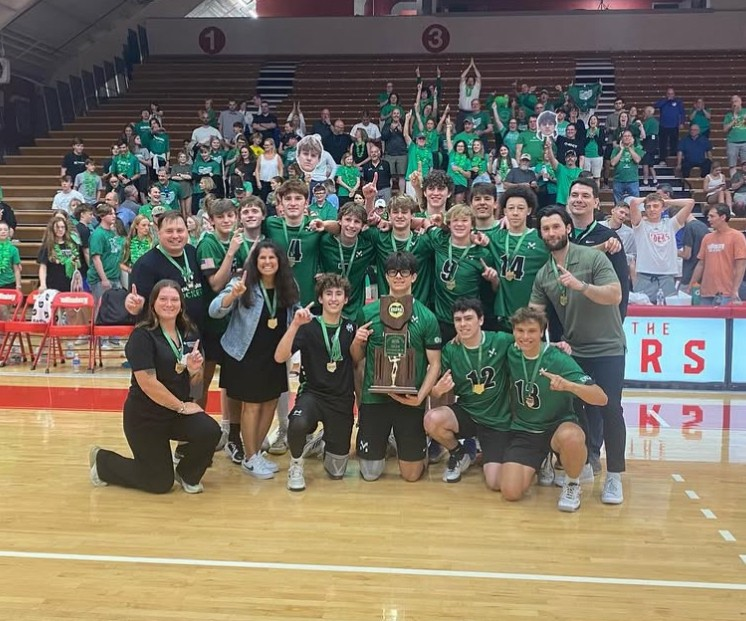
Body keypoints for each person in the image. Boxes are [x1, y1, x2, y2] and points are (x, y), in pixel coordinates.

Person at [530, 207, 626, 505]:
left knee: (610, 409)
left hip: (608, 348)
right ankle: (580, 467)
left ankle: (614, 477)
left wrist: (581, 286)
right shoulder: (544, 274)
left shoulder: (592, 258)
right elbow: (534, 316)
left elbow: (615, 295)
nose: (551, 233)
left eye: (556, 227)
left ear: (568, 229)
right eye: (546, 229)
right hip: (574, 351)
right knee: (574, 410)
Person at [89, 280, 220, 494]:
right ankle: (103, 462)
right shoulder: (142, 336)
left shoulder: (189, 333)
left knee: (210, 431)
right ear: (153, 304)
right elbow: (148, 384)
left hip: (174, 414)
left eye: (174, 299)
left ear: (181, 304)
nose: (169, 304)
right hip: (145, 417)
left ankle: (187, 473)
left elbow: (195, 385)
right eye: (163, 299)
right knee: (159, 483)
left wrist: (194, 371)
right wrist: (181, 407)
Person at [500, 307, 607, 512]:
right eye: (520, 330)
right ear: (513, 331)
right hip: (525, 430)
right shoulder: (511, 352)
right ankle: (543, 460)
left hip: (556, 427)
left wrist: (569, 386)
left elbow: (601, 398)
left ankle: (572, 484)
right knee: (510, 492)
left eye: (532, 331)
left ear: (542, 331)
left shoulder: (558, 359)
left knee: (572, 436)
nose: (525, 336)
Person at [209, 240, 300, 480]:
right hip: (244, 354)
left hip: (275, 355)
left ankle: (255, 453)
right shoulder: (242, 282)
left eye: (272, 258)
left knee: (270, 403)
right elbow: (214, 310)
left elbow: (294, 312)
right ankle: (249, 458)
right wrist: (232, 296)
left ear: (279, 261)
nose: (267, 262)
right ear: (255, 262)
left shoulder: (288, 285)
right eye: (262, 258)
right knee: (252, 406)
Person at [351, 252, 442, 482]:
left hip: (409, 400)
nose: (398, 277)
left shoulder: (427, 317)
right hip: (375, 399)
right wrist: (357, 341)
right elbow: (356, 358)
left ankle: (409, 444)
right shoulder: (367, 312)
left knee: (411, 476)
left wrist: (420, 398)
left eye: (404, 272)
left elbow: (435, 364)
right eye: (393, 272)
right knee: (370, 474)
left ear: (414, 277)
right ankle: (387, 440)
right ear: (386, 276)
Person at [274, 274, 357, 491]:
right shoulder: (308, 326)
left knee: (336, 472)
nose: (333, 298)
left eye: (338, 294)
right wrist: (294, 325)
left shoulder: (352, 328)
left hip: (341, 399)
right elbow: (280, 357)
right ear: (320, 298)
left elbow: (358, 364)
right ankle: (296, 464)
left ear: (346, 299)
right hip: (313, 395)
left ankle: (323, 440)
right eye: (328, 294)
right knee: (298, 423)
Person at [424, 298, 513, 485]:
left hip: (496, 420)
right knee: (432, 419)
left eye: (468, 318)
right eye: (458, 319)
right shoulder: (450, 349)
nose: (463, 324)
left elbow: (529, 345)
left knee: (495, 482)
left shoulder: (500, 340)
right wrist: (437, 390)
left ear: (480, 320)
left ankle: (491, 454)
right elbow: (432, 391)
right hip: (468, 413)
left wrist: (557, 346)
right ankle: (458, 453)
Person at [488, 186, 548, 331]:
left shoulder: (541, 239)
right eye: (511, 208)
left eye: (520, 208)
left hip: (530, 316)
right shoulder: (495, 237)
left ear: (529, 210)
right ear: (504, 211)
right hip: (502, 316)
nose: (515, 213)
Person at [628, 192, 694, 301]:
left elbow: (690, 203)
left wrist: (665, 201)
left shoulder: (671, 224)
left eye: (655, 206)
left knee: (668, 309)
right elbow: (634, 202)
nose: (652, 209)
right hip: (645, 276)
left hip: (667, 276)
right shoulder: (640, 225)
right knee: (642, 308)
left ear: (662, 208)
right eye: (648, 207)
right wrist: (648, 198)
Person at [690, 204, 746, 305]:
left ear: (723, 217)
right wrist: (691, 285)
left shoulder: (737, 237)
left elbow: (741, 265)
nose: (708, 219)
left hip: (727, 292)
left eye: (712, 216)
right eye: (708, 216)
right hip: (706, 292)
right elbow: (701, 264)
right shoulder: (707, 238)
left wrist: (735, 289)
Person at [87, 203, 124, 303]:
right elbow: (96, 258)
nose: (114, 216)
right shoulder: (98, 234)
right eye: (110, 214)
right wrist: (104, 279)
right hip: (101, 279)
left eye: (114, 213)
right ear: (102, 216)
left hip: (114, 276)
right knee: (101, 306)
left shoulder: (112, 232)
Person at [610, 130, 644, 204]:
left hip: (632, 180)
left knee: (635, 203)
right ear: (622, 138)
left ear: (632, 138)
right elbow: (613, 163)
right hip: (618, 180)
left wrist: (630, 148)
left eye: (629, 136)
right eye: (625, 136)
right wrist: (621, 150)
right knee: (618, 204)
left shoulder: (637, 149)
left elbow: (637, 160)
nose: (627, 138)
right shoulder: (616, 150)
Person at [653, 87, 685, 163]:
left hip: (674, 126)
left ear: (674, 94)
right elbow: (656, 105)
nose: (670, 95)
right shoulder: (663, 101)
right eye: (669, 94)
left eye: (672, 94)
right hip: (663, 125)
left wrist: (681, 122)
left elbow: (682, 113)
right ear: (666, 94)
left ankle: (672, 158)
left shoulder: (678, 102)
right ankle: (662, 159)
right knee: (662, 143)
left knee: (674, 143)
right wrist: (666, 100)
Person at [724, 95, 746, 175]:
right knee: (732, 165)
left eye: (736, 101)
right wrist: (734, 118)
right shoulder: (729, 115)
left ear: (740, 102)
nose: (734, 104)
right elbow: (725, 129)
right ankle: (734, 181)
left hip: (745, 141)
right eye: (732, 102)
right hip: (732, 142)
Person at [457, 58, 482, 130]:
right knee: (459, 129)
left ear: (474, 82)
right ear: (466, 81)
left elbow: (479, 77)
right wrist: (469, 66)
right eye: (469, 80)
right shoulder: (463, 87)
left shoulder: (476, 88)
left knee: (471, 130)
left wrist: (474, 66)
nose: (470, 82)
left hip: (472, 112)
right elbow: (462, 76)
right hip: (462, 112)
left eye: (472, 81)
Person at [0, 221, 21, 291]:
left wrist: (18, 285)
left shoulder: (14, 250)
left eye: (5, 230)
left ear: (9, 232)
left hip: (8, 283)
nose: (3, 232)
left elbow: (16, 270)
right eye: (0, 230)